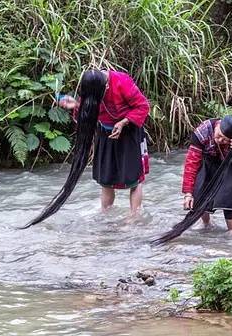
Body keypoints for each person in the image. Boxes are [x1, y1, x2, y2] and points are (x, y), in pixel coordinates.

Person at [23, 69, 149, 228]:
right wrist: (75, 105)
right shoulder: (92, 87)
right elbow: (88, 111)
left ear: (107, 87)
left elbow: (143, 106)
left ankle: (134, 217)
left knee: (134, 179)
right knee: (106, 180)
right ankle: (106, 213)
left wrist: (123, 122)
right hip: (105, 134)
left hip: (129, 133)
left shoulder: (121, 81)